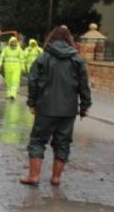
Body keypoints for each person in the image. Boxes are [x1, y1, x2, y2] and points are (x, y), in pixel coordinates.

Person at [21, 25, 91, 186]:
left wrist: (32, 103)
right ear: (69, 40)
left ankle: (34, 176)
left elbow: (33, 81)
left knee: (38, 140)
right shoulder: (77, 60)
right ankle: (56, 178)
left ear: (51, 39)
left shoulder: (43, 58)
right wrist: (84, 106)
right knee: (63, 142)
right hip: (68, 109)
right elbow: (83, 85)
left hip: (45, 107)